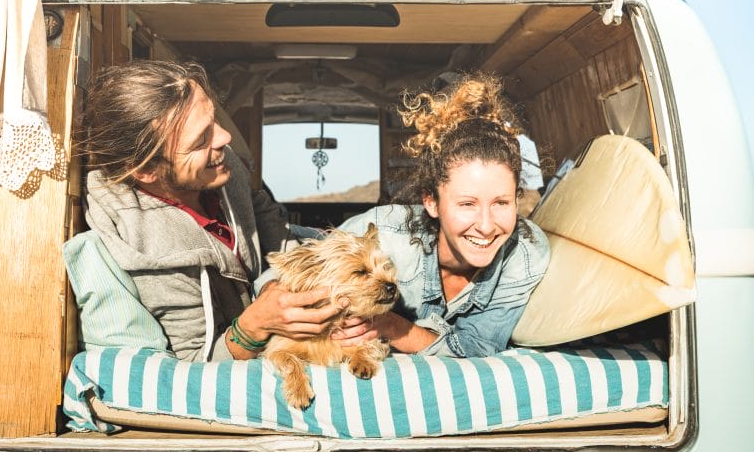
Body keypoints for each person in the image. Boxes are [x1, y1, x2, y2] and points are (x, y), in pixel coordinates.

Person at [78, 59, 341, 362]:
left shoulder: (222, 168)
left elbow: (270, 225)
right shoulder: (151, 252)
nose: (225, 138)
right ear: (147, 169)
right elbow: (195, 365)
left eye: (215, 121)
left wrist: (282, 280)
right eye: (201, 139)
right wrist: (254, 326)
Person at [315, 75, 550, 357]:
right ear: (431, 202)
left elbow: (477, 348)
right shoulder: (384, 234)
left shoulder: (526, 253)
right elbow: (288, 277)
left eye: (501, 203)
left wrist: (388, 325)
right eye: (467, 204)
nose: (487, 226)